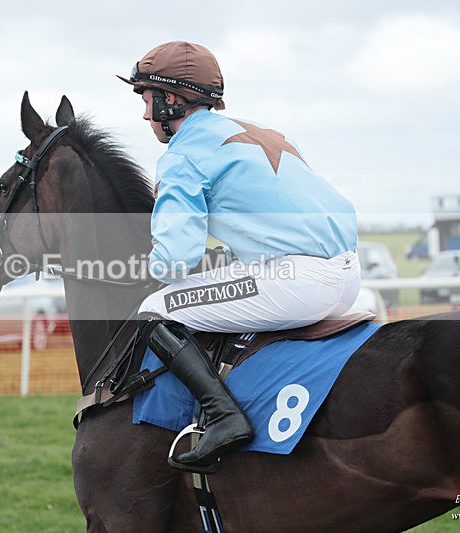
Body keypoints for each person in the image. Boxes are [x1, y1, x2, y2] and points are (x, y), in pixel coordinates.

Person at [118, 41, 361, 468]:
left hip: (298, 281)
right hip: (347, 274)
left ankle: (224, 417)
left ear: (170, 100)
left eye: (146, 98)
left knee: (154, 310)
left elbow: (176, 258)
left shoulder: (183, 155)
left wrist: (139, 269)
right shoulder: (261, 132)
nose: (143, 113)